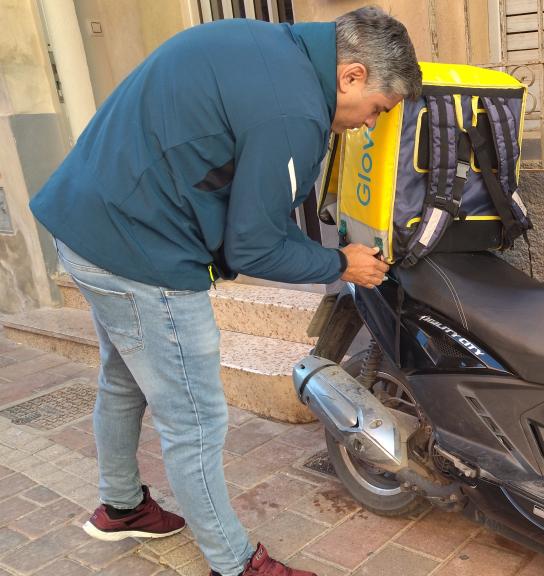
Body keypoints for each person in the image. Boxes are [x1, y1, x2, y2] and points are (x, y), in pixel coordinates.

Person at [30, 7, 421, 576]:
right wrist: (340, 262)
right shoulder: (293, 110)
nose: (368, 124)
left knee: (123, 378)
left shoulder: (259, 43)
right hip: (143, 255)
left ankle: (121, 507)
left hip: (87, 228)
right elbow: (254, 249)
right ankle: (235, 564)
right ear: (353, 75)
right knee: (195, 419)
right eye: (377, 110)